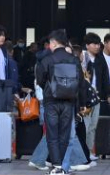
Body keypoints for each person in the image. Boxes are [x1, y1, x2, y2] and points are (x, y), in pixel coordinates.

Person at [36, 30, 83, 175]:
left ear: (54, 42)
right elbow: (80, 80)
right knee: (64, 134)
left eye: (50, 43)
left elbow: (40, 80)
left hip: (51, 101)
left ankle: (56, 166)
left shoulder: (47, 60)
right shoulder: (74, 59)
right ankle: (61, 166)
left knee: (52, 134)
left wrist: (50, 89)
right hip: (68, 102)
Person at [82, 33, 110, 158]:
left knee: (93, 125)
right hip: (85, 97)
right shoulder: (83, 57)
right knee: (86, 125)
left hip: (97, 96)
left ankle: (89, 150)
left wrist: (108, 93)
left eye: (99, 44)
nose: (97, 46)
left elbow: (105, 77)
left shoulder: (100, 58)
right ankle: (83, 152)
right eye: (94, 44)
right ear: (87, 45)